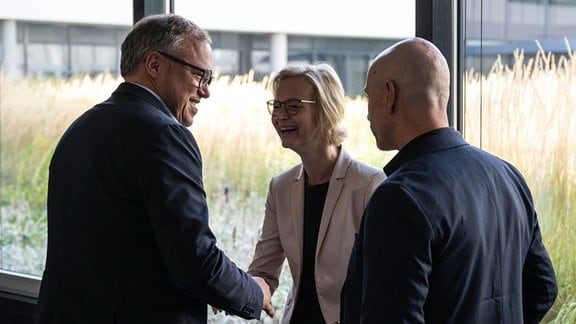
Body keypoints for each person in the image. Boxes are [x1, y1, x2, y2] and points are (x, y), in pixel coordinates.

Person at [35, 13, 274, 324]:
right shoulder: (164, 134)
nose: (205, 91)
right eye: (200, 75)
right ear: (155, 65)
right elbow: (193, 260)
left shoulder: (80, 128)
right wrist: (254, 293)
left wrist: (217, 288)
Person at [340, 37, 558, 323]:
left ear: (389, 95)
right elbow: (542, 289)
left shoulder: (401, 197)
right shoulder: (508, 175)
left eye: (370, 97)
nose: (368, 113)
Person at [246, 63, 387, 324]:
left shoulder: (370, 185)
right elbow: (263, 272)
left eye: (293, 106)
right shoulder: (281, 186)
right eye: (276, 106)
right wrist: (233, 291)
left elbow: (383, 282)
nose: (280, 116)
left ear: (325, 111)